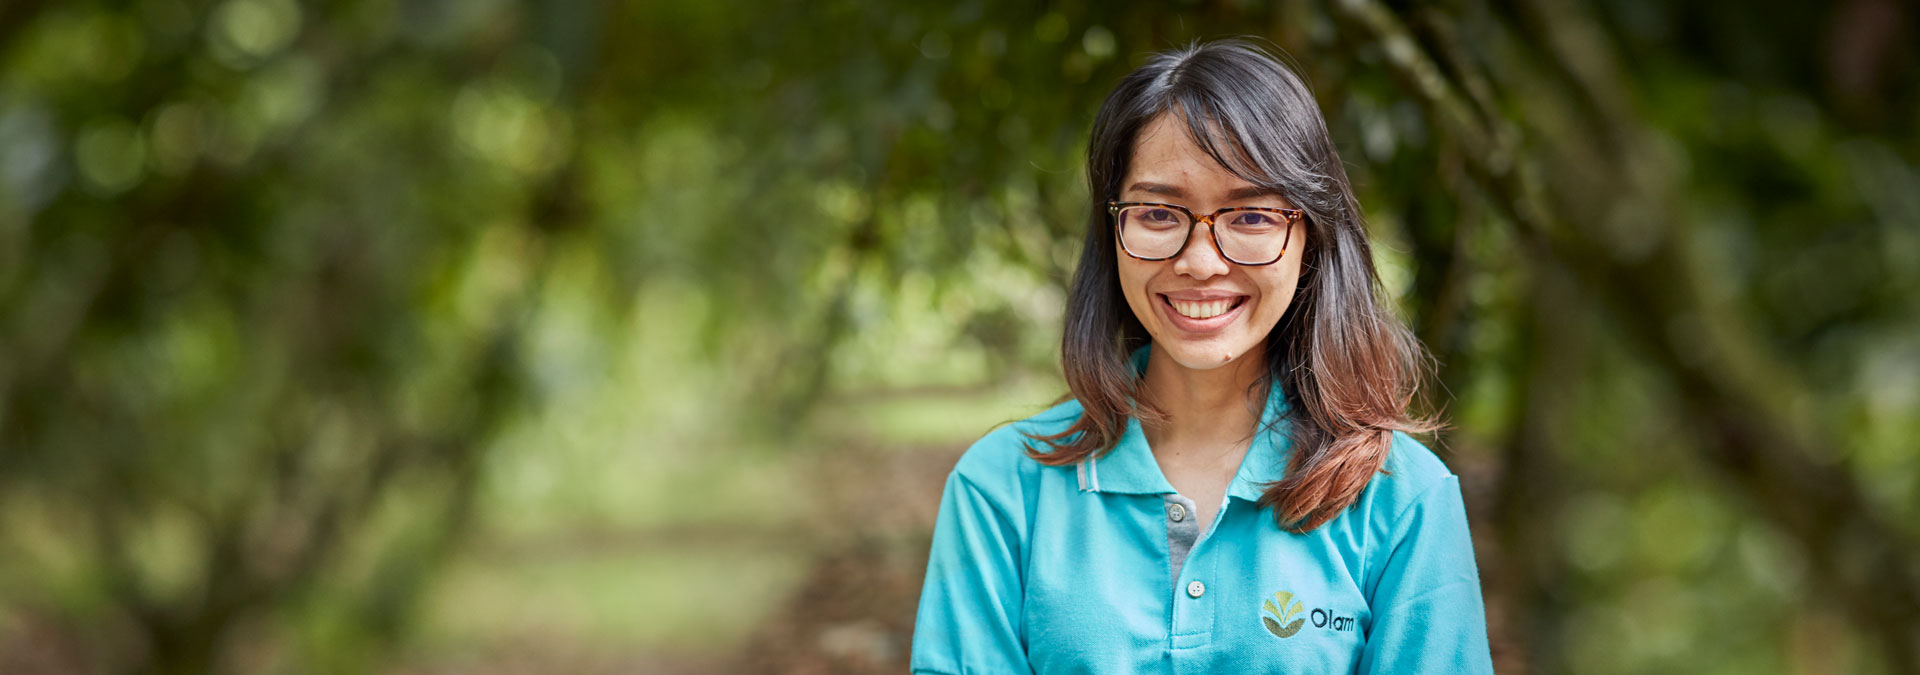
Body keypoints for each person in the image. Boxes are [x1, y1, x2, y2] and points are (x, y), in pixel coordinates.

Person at [909, 39, 1495, 674]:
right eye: (1160, 212)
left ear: (1310, 238)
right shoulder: (1002, 488)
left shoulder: (1403, 498)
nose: (1200, 261)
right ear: (1113, 233)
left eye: (1249, 216)